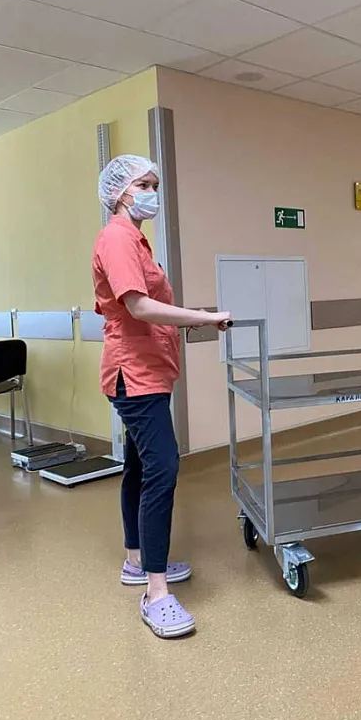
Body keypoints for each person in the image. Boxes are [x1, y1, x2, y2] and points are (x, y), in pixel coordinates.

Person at [93, 154, 231, 639]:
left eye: (155, 184)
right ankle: (156, 593)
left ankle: (137, 561)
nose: (152, 192)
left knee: (139, 466)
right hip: (135, 376)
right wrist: (204, 317)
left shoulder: (135, 239)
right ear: (120, 193)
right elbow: (138, 305)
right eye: (144, 185)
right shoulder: (116, 238)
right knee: (163, 468)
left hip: (148, 371)